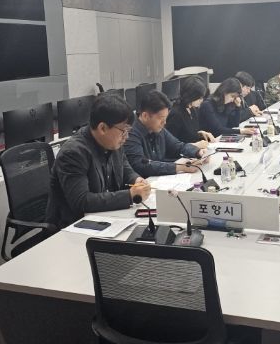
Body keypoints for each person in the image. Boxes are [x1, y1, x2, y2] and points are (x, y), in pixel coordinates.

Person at [45, 93, 151, 229]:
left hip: (105, 218)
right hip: (73, 227)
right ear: (102, 128)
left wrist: (137, 180)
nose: (126, 137)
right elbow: (82, 201)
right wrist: (129, 195)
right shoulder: (73, 153)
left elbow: (125, 168)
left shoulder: (112, 142)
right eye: (124, 131)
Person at [125, 90, 208, 178]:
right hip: (144, 182)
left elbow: (178, 146)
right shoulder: (129, 132)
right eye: (161, 119)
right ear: (145, 116)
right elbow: (141, 166)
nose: (164, 123)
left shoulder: (158, 129)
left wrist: (197, 152)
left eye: (165, 118)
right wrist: (180, 167)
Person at [165, 75, 215, 144]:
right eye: (199, 98)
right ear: (192, 96)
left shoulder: (192, 109)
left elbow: (187, 135)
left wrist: (200, 134)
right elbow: (171, 144)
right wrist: (195, 145)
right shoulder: (176, 114)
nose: (202, 100)